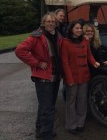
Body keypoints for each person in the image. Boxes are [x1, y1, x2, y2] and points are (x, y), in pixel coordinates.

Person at [15, 12, 63, 140]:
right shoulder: (37, 36)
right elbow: (20, 50)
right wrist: (36, 63)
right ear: (43, 23)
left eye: (53, 21)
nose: (50, 23)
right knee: (47, 108)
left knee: (46, 106)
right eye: (48, 21)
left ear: (56, 23)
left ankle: (40, 130)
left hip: (56, 76)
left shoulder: (58, 35)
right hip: (43, 77)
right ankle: (46, 135)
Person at [61, 20, 100, 135]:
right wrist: (69, 78)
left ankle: (80, 123)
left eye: (80, 28)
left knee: (82, 101)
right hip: (72, 77)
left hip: (84, 75)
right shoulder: (65, 42)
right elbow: (65, 62)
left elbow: (89, 55)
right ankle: (71, 125)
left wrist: (94, 63)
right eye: (76, 28)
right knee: (71, 102)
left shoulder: (85, 41)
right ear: (71, 29)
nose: (78, 30)